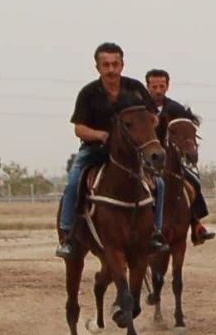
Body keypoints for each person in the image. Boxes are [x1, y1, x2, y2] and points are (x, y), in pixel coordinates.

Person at [56, 42, 168, 259]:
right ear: (97, 67)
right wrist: (101, 135)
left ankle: (155, 232)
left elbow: (153, 117)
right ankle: (68, 236)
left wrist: (143, 128)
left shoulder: (135, 88)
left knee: (160, 184)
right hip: (95, 151)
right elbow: (79, 129)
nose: (111, 69)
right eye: (105, 65)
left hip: (130, 154)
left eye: (115, 64)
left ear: (122, 65)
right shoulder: (88, 93)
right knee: (72, 183)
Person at [145, 69, 216, 246]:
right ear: (148, 87)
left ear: (167, 86)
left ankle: (196, 223)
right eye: (154, 86)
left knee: (193, 181)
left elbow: (188, 128)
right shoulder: (140, 108)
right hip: (144, 160)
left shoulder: (175, 108)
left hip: (169, 161)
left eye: (162, 86)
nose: (158, 90)